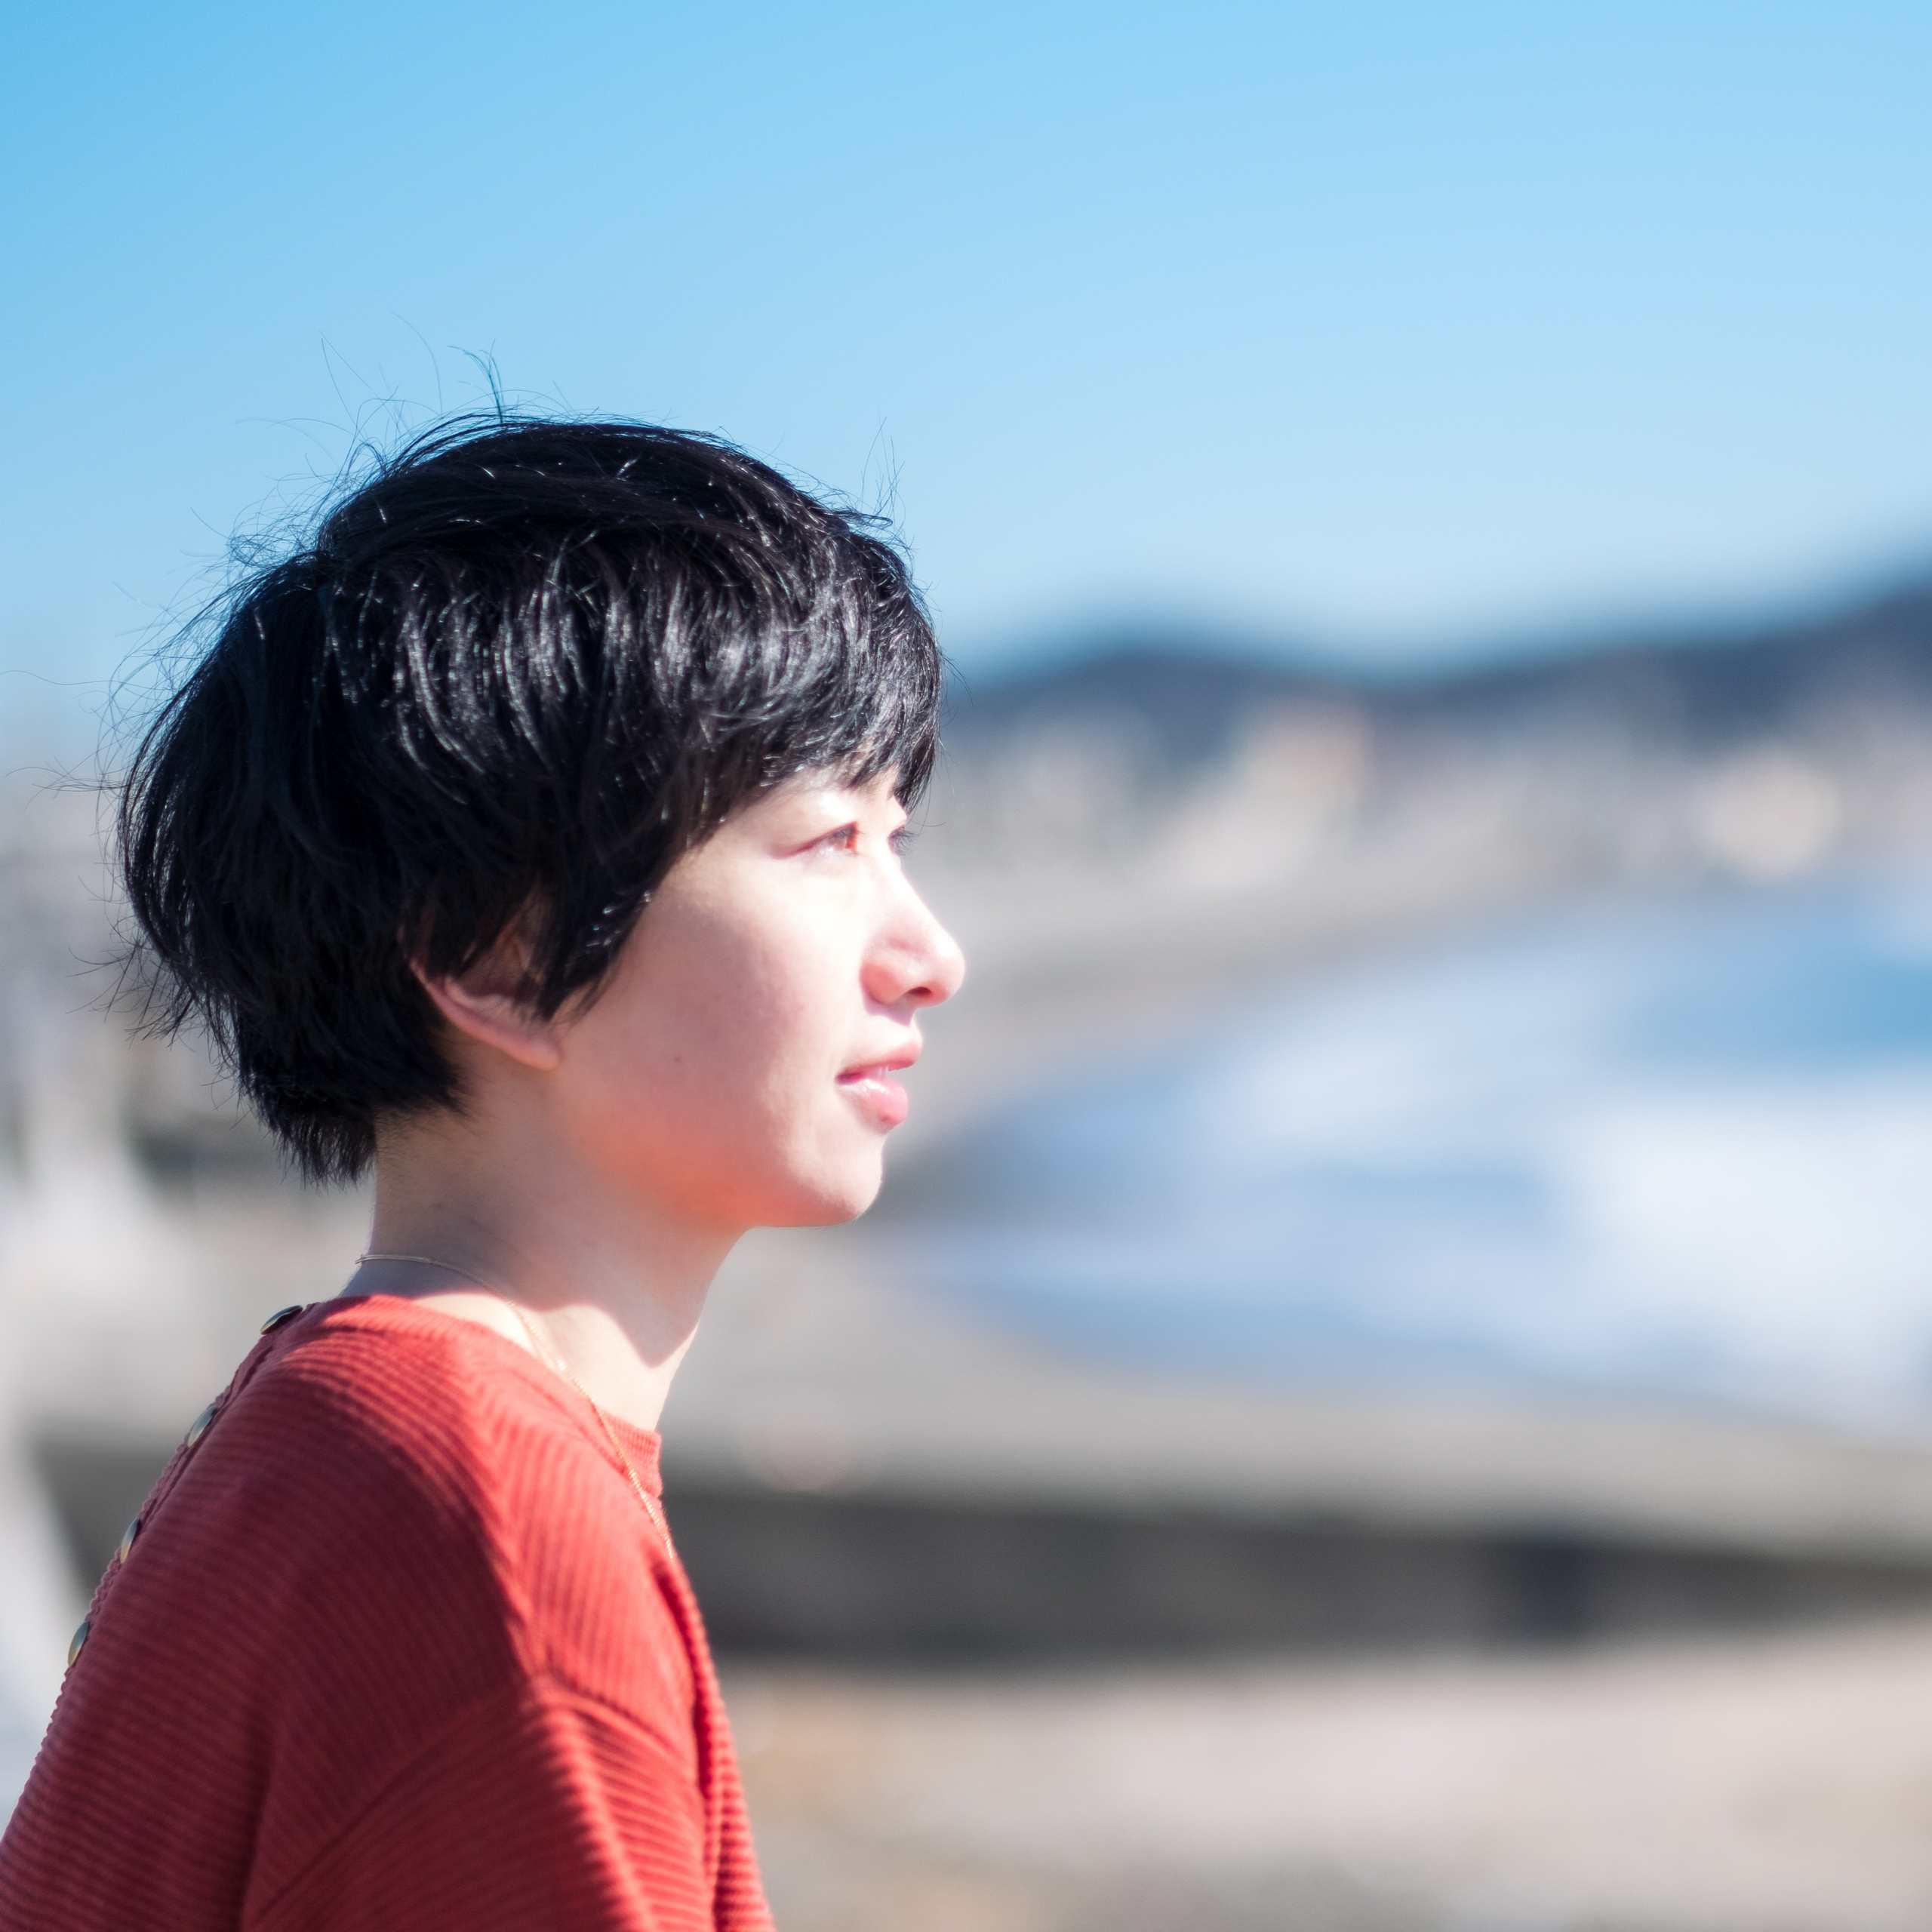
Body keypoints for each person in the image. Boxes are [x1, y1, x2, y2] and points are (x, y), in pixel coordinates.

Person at [0, 417, 964, 1930]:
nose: (931, 955)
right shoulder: (492, 1534)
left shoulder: (344, 1426)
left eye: (895, 837)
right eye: (826, 842)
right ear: (496, 952)